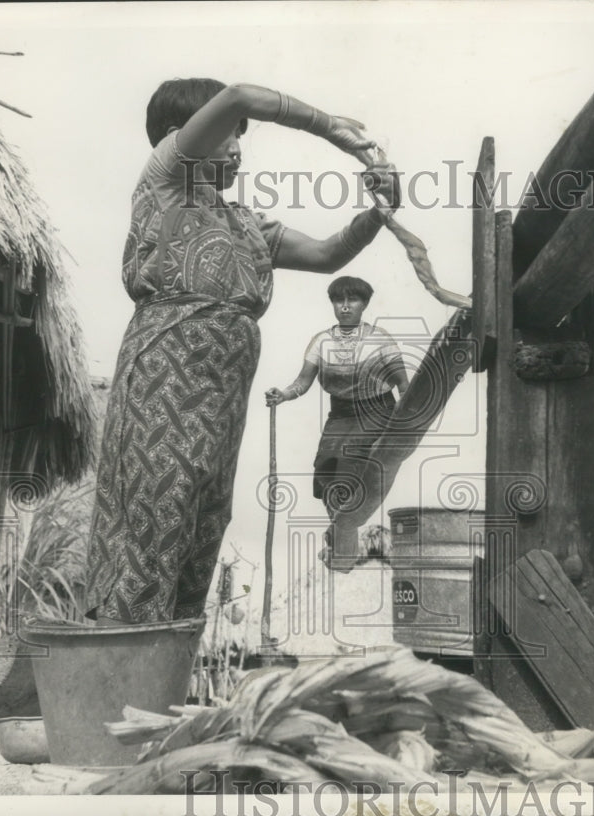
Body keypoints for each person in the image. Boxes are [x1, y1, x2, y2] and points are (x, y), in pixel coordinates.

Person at [84, 79, 400, 623]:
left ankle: (166, 690)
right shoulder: (163, 185)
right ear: (177, 138)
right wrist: (337, 132)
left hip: (221, 400)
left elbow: (328, 254)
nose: (236, 146)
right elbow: (238, 95)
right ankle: (117, 682)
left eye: (240, 137)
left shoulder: (247, 224)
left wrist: (380, 209)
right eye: (226, 134)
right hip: (164, 377)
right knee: (155, 518)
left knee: (205, 525)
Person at [265, 276, 408, 523]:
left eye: (352, 299)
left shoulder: (380, 339)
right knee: (325, 466)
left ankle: (349, 525)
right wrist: (283, 395)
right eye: (338, 300)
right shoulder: (322, 341)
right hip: (341, 414)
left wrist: (406, 423)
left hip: (377, 411)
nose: (344, 306)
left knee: (349, 459)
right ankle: (340, 526)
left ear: (364, 304)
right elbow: (302, 382)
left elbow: (404, 385)